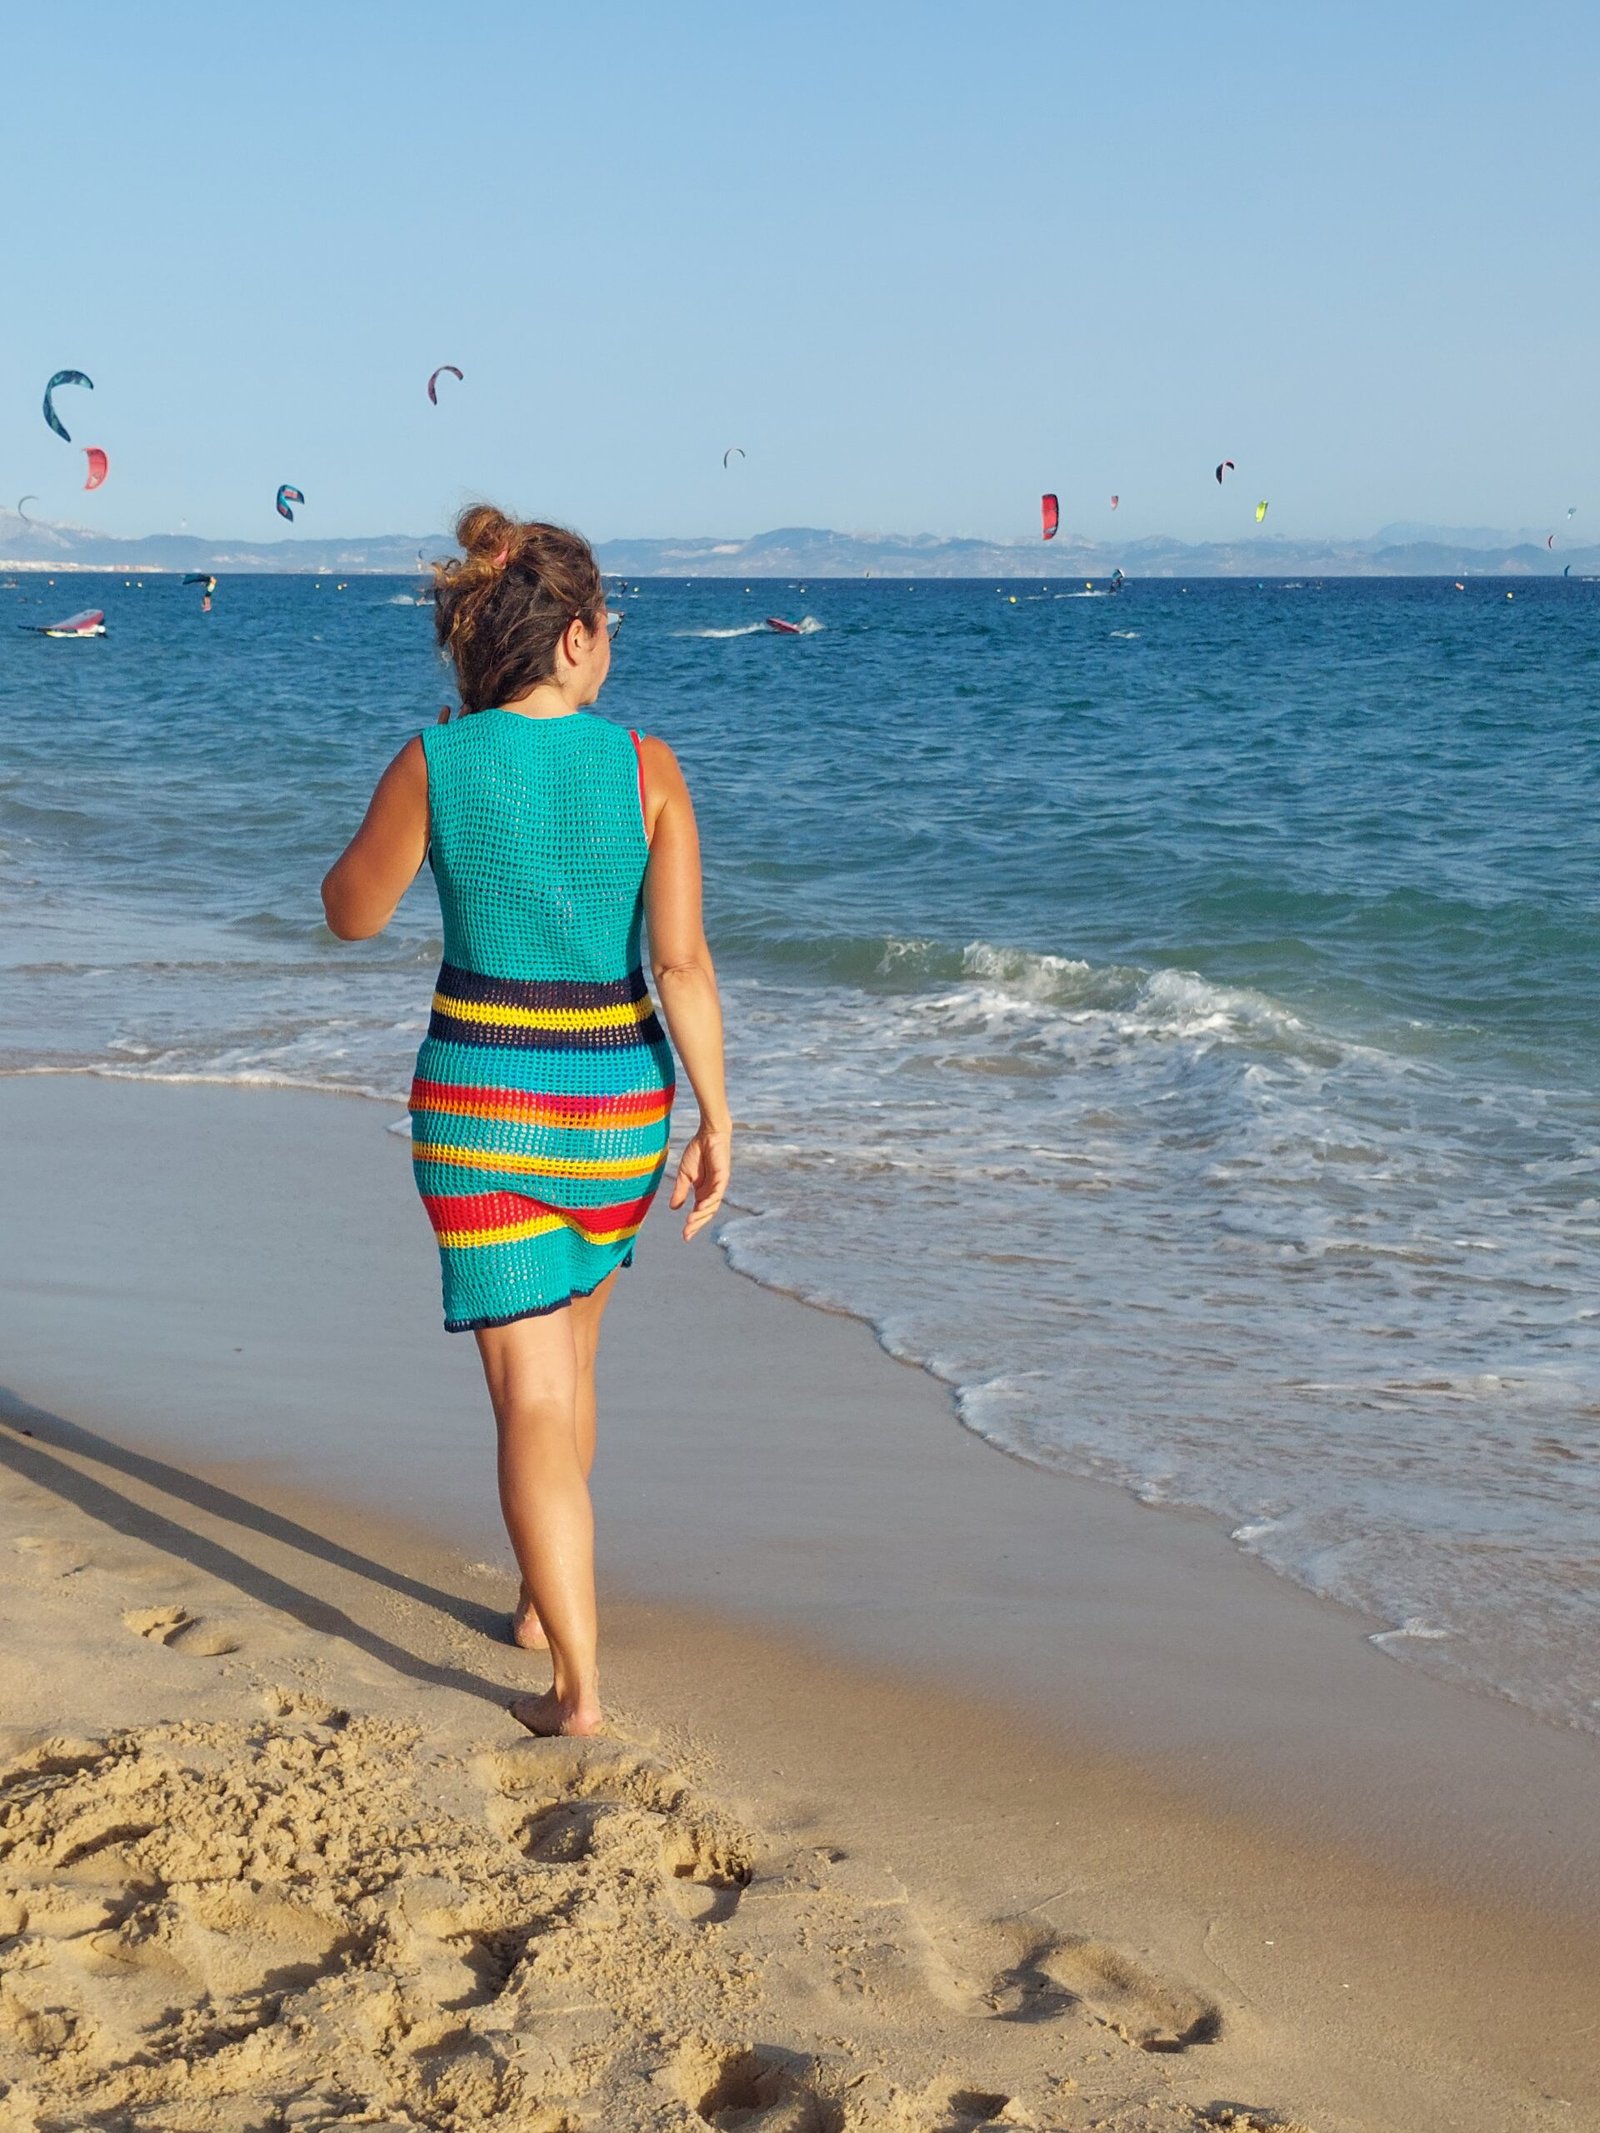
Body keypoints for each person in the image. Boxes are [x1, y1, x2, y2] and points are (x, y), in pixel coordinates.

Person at [321, 504, 731, 1736]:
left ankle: (577, 1691)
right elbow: (686, 966)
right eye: (603, 628)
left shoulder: (435, 762)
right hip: (619, 1112)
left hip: (482, 1111)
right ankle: (541, 1611)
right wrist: (719, 1118)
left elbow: (350, 912)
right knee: (576, 1364)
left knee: (531, 1399)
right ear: (571, 639)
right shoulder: (649, 769)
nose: (608, 650)